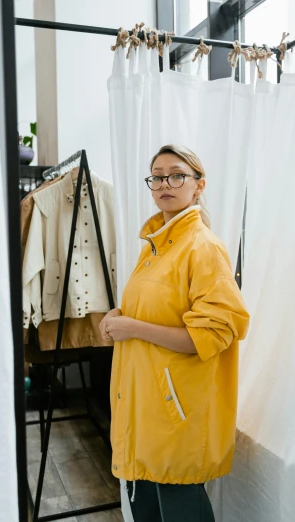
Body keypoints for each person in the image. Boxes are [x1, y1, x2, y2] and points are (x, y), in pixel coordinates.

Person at [100, 144, 250, 522]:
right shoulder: (155, 247)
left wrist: (131, 326)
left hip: (175, 412)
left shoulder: (203, 248)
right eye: (157, 176)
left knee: (181, 511)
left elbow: (213, 334)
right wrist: (122, 314)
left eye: (177, 175)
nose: (165, 183)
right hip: (144, 405)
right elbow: (159, 307)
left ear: (198, 185)